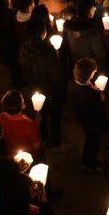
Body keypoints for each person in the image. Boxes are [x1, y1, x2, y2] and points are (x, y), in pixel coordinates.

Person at [19, 18, 67, 151]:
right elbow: (56, 76)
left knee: (40, 113)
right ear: (43, 33)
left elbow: (23, 68)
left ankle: (44, 137)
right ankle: (57, 144)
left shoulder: (24, 47)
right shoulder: (48, 52)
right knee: (55, 116)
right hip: (50, 90)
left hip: (33, 88)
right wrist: (62, 88)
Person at [67, 58, 105, 171]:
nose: (94, 74)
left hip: (81, 117)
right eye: (93, 72)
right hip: (93, 121)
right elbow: (98, 111)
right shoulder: (92, 94)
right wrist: (101, 99)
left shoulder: (71, 83)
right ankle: (90, 164)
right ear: (89, 74)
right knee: (93, 142)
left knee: (89, 139)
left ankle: (86, 161)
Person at [0, 90, 41, 158]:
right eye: (22, 98)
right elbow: (36, 145)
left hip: (13, 154)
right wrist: (37, 124)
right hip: (29, 156)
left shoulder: (1, 117)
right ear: (21, 105)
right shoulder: (28, 123)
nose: (23, 98)